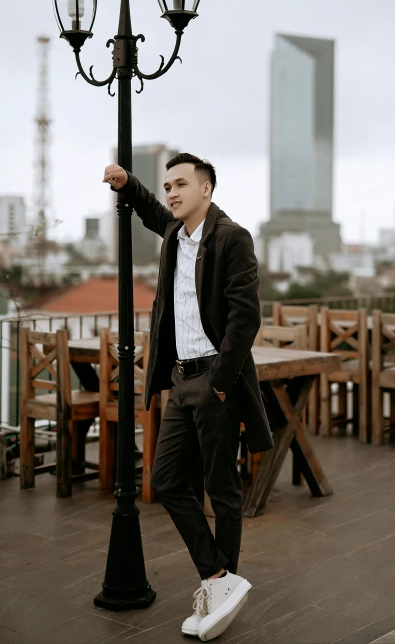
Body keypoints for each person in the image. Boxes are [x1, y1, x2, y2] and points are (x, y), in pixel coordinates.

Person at [103, 153, 273, 641]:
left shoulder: (231, 238)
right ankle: (220, 578)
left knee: (222, 490)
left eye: (181, 184)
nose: (173, 192)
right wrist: (127, 183)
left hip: (216, 380)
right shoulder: (175, 237)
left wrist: (220, 382)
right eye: (168, 185)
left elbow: (246, 318)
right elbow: (152, 209)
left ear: (206, 190)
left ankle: (219, 591)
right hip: (180, 382)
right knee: (166, 479)